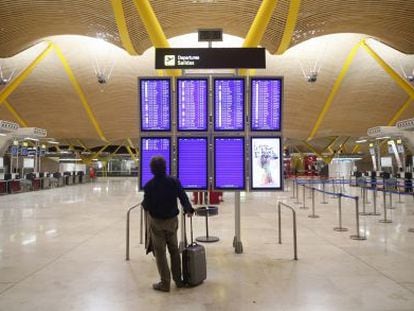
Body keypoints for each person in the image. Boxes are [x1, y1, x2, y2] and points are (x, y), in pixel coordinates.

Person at [142, 156, 194, 292]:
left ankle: (165, 283)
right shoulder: (174, 181)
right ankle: (178, 280)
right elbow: (183, 197)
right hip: (172, 222)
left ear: (152, 170)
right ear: (165, 167)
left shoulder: (149, 186)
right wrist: (188, 209)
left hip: (157, 223)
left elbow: (146, 205)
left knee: (160, 253)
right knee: (174, 251)